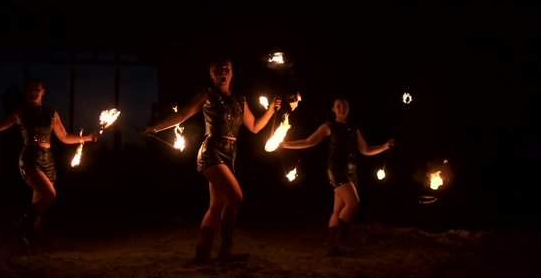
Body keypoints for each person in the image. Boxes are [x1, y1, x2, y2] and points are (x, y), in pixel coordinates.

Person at [143, 55, 282, 264]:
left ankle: (202, 253)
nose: (222, 72)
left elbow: (254, 127)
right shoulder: (207, 95)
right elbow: (182, 114)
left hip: (230, 153)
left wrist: (271, 110)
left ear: (232, 72)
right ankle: (226, 250)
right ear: (212, 75)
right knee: (236, 197)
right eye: (218, 70)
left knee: (216, 206)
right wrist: (154, 128)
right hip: (212, 152)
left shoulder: (240, 99)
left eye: (226, 68)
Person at [0, 77, 98, 254]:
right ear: (27, 93)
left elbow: (64, 137)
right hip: (30, 157)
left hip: (47, 158)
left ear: (43, 91)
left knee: (39, 204)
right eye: (30, 89)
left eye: (37, 89)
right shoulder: (21, 112)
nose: (33, 92)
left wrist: (87, 138)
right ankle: (18, 228)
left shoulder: (52, 113)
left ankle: (25, 244)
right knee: (50, 195)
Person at [279, 96, 394, 256]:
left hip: (351, 172)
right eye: (338, 105)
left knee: (338, 209)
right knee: (354, 203)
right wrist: (285, 145)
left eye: (344, 105)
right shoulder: (329, 126)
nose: (342, 108)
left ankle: (333, 246)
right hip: (336, 170)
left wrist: (384, 146)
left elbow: (366, 150)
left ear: (348, 108)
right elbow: (309, 141)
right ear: (333, 109)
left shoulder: (354, 128)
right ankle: (341, 239)